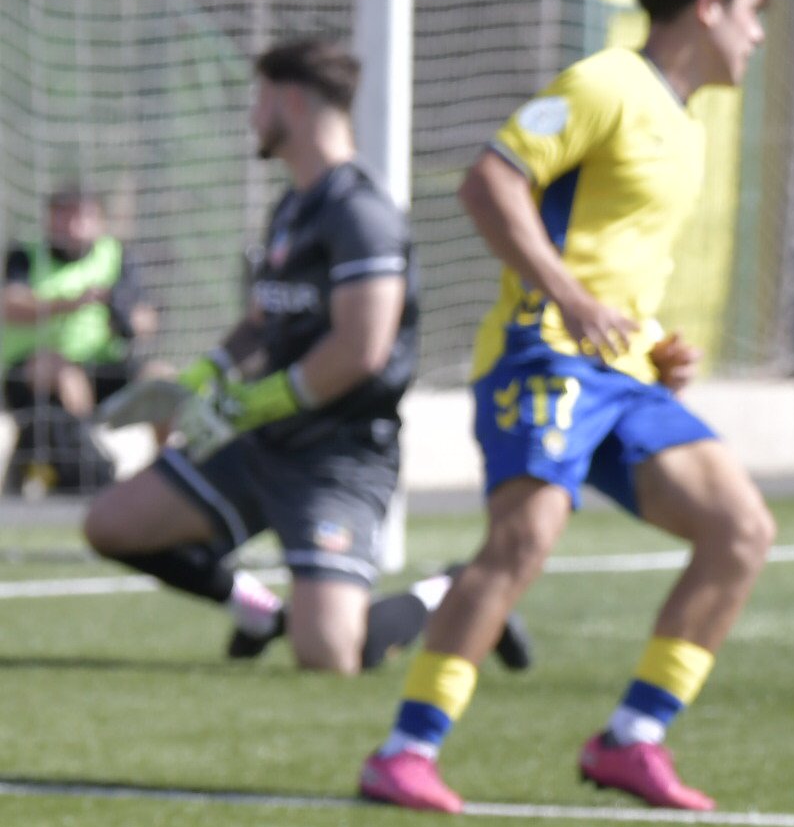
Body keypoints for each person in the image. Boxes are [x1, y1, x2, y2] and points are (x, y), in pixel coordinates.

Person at [357, 0, 776, 816]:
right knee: (523, 541)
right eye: (752, 11)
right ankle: (405, 751)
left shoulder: (685, 125)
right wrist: (571, 299)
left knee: (740, 530)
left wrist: (654, 343)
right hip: (544, 351)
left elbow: (612, 255)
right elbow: (489, 183)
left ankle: (632, 739)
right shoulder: (605, 83)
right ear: (708, 7)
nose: (759, 33)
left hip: (623, 375)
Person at [77, 40, 498, 673]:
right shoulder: (295, 205)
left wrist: (251, 404)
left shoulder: (362, 214)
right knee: (110, 524)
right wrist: (199, 378)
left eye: (260, 99)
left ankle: (457, 588)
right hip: (262, 441)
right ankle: (256, 612)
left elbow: (361, 349)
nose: (252, 116)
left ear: (292, 102)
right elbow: (262, 321)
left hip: (336, 456)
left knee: (328, 653)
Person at [4, 184, 160, 491]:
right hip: (38, 373)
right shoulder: (25, 255)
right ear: (49, 220)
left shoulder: (118, 257)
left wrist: (123, 314)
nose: (74, 227)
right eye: (65, 216)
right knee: (66, 373)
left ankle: (169, 476)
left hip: (107, 368)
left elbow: (147, 320)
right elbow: (9, 303)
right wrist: (70, 304)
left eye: (83, 217)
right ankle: (90, 463)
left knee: (162, 379)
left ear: (100, 222)